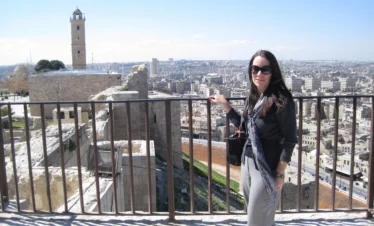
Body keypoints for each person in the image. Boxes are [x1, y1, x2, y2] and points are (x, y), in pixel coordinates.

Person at [211, 50, 297, 226]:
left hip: (266, 168)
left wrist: (280, 173)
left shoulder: (282, 100)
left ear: (273, 72)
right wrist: (225, 105)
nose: (259, 74)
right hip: (247, 163)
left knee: (256, 221)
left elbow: (290, 140)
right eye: (255, 69)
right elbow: (245, 128)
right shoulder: (254, 98)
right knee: (257, 217)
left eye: (265, 69)